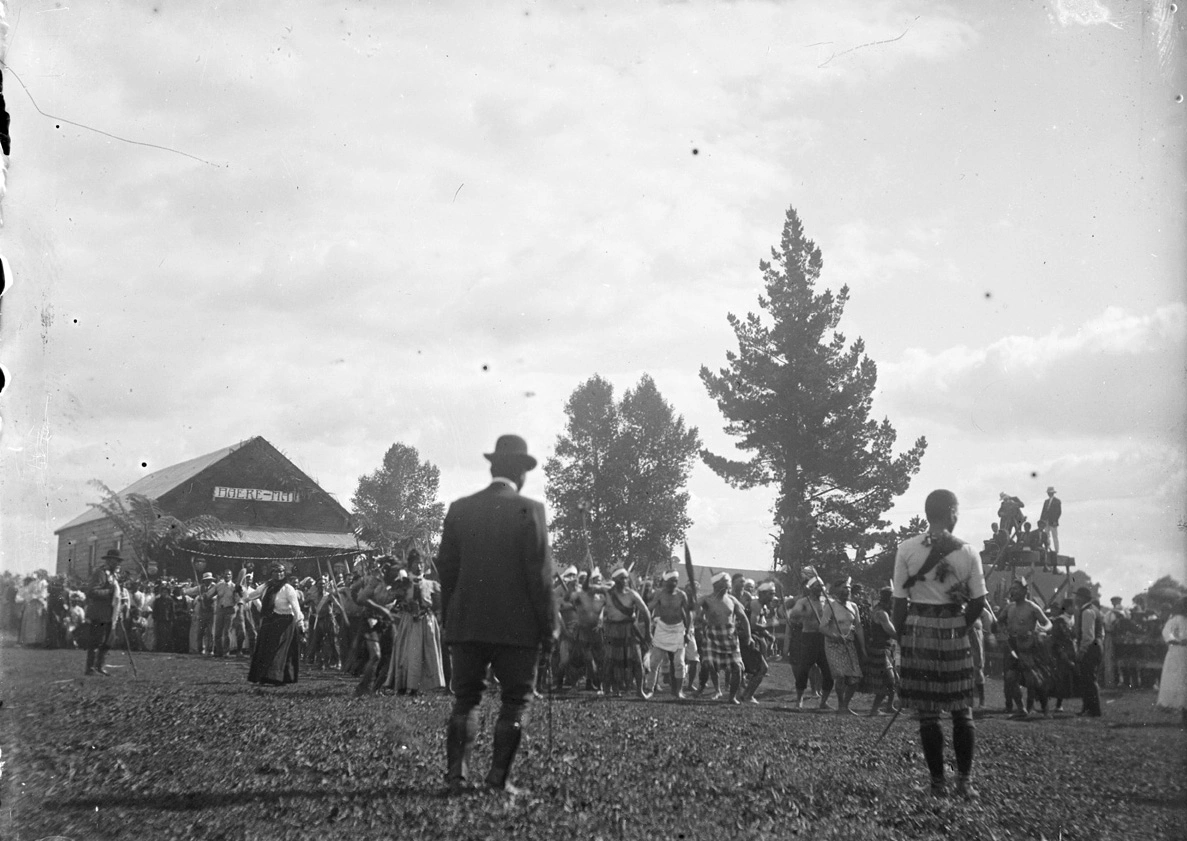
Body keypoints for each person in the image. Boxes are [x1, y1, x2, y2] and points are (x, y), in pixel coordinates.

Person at [437, 435, 554, 797]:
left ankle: (456, 776)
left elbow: (445, 569)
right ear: (520, 472)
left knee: (466, 699)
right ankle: (498, 780)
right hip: (518, 628)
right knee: (516, 701)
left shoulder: (459, 508)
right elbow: (541, 578)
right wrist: (549, 627)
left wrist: (451, 617)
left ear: (492, 467)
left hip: (468, 623)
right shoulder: (531, 510)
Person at [893, 489, 988, 800]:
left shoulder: (906, 548)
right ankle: (965, 782)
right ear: (950, 512)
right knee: (962, 712)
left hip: (919, 631)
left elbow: (899, 604)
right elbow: (979, 601)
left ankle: (937, 783)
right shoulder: (969, 552)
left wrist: (904, 637)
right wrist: (960, 626)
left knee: (929, 714)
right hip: (954, 632)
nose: (957, 516)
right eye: (957, 511)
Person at [387, 549, 446, 695]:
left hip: (427, 622)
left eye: (421, 563)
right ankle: (406, 685)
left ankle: (424, 686)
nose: (419, 567)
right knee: (409, 653)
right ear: (410, 565)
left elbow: (440, 604)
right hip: (409, 622)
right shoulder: (404, 583)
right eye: (415, 563)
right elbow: (390, 600)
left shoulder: (431, 584)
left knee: (427, 653)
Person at [243, 561, 306, 686]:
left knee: (279, 650)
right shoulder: (266, 586)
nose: (279, 574)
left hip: (285, 622)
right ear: (271, 573)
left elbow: (296, 607)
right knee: (264, 649)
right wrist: (241, 594)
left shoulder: (288, 589)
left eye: (281, 571)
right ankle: (263, 676)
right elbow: (252, 596)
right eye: (276, 571)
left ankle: (278, 678)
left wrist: (300, 624)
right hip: (270, 621)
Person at [999, 578, 1053, 718]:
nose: (1013, 591)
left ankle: (1045, 709)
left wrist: (1042, 628)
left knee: (1033, 680)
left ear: (1025, 591)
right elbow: (999, 622)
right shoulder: (1009, 607)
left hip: (1029, 647)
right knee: (1010, 678)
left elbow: (1048, 623)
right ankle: (1021, 709)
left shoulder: (1032, 607)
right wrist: (1001, 628)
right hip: (1013, 647)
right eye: (1012, 589)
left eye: (1016, 589)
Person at [696, 571, 751, 704]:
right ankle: (717, 690)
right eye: (726, 582)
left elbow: (743, 618)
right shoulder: (706, 599)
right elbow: (693, 608)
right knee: (710, 664)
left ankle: (732, 697)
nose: (728, 585)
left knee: (737, 667)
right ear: (717, 584)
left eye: (728, 583)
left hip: (730, 636)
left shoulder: (732, 600)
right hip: (712, 634)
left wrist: (749, 636)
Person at [787, 572, 834, 710]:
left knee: (828, 672)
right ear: (810, 588)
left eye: (821, 586)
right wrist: (803, 613)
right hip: (808, 638)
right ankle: (799, 699)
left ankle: (823, 701)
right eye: (816, 586)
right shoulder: (803, 602)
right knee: (803, 670)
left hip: (824, 639)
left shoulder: (829, 603)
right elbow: (793, 617)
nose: (819, 589)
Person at [602, 567, 650, 697]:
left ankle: (640, 691)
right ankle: (608, 690)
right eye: (621, 578)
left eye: (625, 578)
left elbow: (646, 613)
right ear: (615, 580)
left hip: (629, 630)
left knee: (637, 661)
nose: (624, 580)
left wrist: (648, 634)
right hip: (612, 630)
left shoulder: (632, 594)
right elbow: (589, 588)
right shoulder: (607, 593)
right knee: (610, 661)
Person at [643, 570, 691, 700]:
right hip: (662, 629)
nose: (674, 583)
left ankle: (678, 691)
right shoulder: (659, 594)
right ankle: (649, 689)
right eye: (671, 581)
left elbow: (687, 613)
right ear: (665, 582)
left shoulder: (682, 595)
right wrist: (644, 610)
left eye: (675, 581)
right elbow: (650, 608)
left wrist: (688, 631)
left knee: (679, 663)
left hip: (678, 630)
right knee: (654, 663)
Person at [820, 577, 865, 715]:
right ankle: (840, 706)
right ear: (837, 590)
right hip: (833, 645)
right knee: (840, 676)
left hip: (849, 644)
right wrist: (835, 636)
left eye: (849, 588)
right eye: (844, 588)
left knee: (855, 677)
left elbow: (858, 627)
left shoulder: (854, 606)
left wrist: (862, 647)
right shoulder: (830, 607)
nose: (847, 591)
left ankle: (845, 705)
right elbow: (822, 627)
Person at [82, 549, 125, 676]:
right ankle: (90, 668)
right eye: (115, 561)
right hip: (99, 613)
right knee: (96, 640)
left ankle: (100, 666)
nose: (117, 564)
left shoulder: (113, 576)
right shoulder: (100, 573)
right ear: (109, 561)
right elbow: (92, 591)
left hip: (110, 614)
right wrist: (110, 592)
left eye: (118, 561)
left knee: (107, 641)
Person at [863, 586, 899, 716]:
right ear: (889, 599)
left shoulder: (884, 611)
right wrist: (904, 638)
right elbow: (890, 631)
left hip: (887, 648)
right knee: (888, 680)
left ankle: (889, 706)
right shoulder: (881, 613)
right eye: (893, 599)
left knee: (893, 679)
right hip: (880, 650)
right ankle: (874, 710)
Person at [571, 570, 607, 693]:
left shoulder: (602, 597)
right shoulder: (580, 595)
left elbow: (605, 610)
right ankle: (590, 682)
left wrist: (601, 622)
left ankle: (599, 683)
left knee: (600, 659)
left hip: (597, 631)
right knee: (588, 659)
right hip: (584, 631)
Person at [1073, 586, 1103, 717]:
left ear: (1082, 598)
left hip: (1090, 648)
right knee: (1089, 678)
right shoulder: (1094, 610)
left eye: (1077, 596)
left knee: (1089, 679)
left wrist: (1081, 652)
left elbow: (1088, 636)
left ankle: (1094, 709)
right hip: (1096, 647)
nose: (1075, 599)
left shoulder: (1087, 612)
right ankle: (1088, 708)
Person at [1156, 597, 1187, 726]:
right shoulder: (1175, 620)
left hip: (1181, 651)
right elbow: (1167, 634)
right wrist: (1178, 641)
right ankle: (1183, 711)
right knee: (1179, 680)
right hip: (1178, 652)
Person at [212, 569, 241, 657]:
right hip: (220, 609)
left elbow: (238, 599)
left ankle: (226, 652)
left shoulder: (234, 586)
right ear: (223, 576)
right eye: (225, 574)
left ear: (231, 576)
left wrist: (238, 592)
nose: (227, 576)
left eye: (228, 574)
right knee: (217, 632)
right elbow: (211, 594)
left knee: (227, 632)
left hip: (230, 610)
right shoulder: (219, 585)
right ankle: (218, 651)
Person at [1040, 487, 1062, 554]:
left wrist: (1055, 520)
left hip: (1053, 521)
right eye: (1048, 493)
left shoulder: (1057, 501)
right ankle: (1048, 549)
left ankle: (1056, 550)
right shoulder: (1046, 502)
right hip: (1046, 521)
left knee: (1054, 536)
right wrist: (1041, 520)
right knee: (1046, 536)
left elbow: (1059, 512)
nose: (1049, 494)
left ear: (1052, 493)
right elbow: (1043, 511)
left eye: (1050, 493)